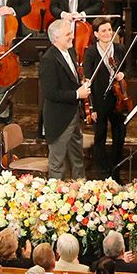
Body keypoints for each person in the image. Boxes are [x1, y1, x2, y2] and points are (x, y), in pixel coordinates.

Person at [39, 15, 90, 179]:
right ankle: (56, 192)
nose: (72, 37)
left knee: (77, 158)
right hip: (59, 118)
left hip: (73, 115)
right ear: (56, 38)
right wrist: (77, 94)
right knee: (57, 162)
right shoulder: (48, 60)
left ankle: (80, 187)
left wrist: (80, 82)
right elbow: (50, 92)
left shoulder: (70, 51)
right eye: (68, 34)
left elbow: (68, 80)